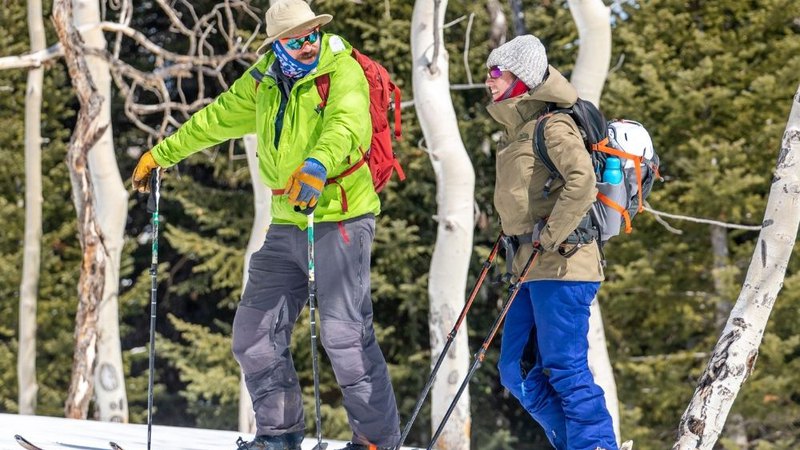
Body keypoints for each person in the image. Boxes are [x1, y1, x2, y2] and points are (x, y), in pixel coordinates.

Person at [131, 0, 400, 449]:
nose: (310, 43)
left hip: (341, 217)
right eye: (298, 38)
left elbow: (347, 125)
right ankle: (279, 435)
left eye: (313, 33)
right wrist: (163, 154)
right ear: (277, 45)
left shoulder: (341, 71)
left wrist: (317, 164)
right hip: (288, 221)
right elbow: (214, 120)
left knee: (344, 334)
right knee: (253, 335)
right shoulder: (263, 83)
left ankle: (376, 441)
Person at [484, 35, 619, 450]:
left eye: (496, 73)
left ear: (520, 79)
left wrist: (551, 233)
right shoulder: (519, 129)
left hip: (563, 264)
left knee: (564, 367)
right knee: (516, 371)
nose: (488, 81)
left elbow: (582, 182)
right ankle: (573, 442)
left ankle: (596, 445)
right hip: (528, 266)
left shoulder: (553, 125)